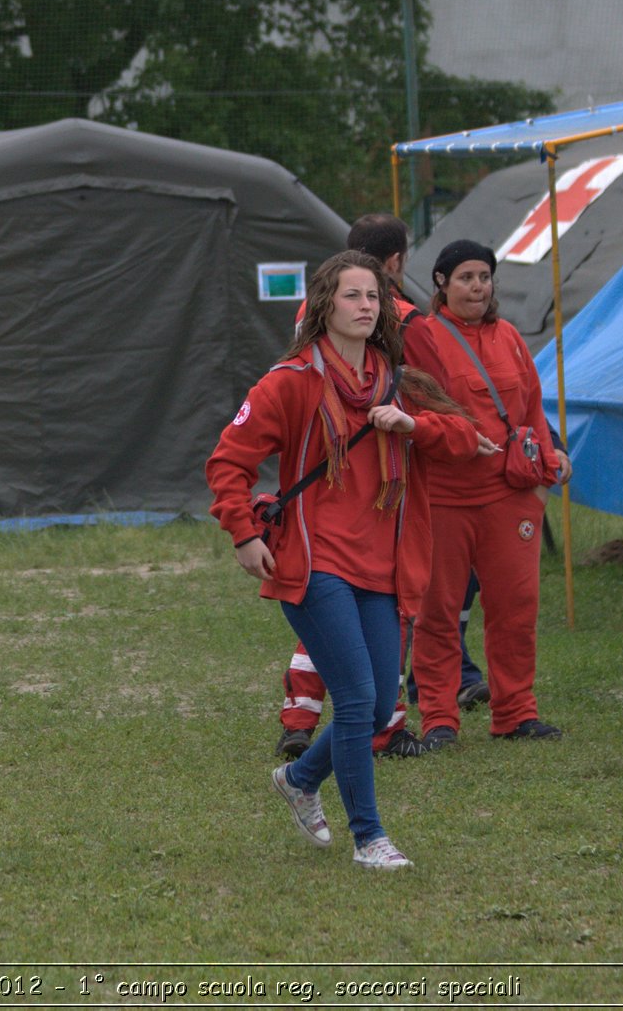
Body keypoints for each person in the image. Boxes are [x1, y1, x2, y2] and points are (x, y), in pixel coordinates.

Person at [207, 250, 487, 869]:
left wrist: (411, 426)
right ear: (324, 307)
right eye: (354, 296)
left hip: (385, 564)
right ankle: (370, 837)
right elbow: (228, 462)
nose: (367, 306)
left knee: (375, 704)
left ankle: (301, 778)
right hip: (314, 561)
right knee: (359, 699)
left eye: (375, 297)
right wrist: (244, 533)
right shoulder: (290, 380)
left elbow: (469, 438)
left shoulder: (394, 378)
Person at [274, 213, 490, 761]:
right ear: (396, 261)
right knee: (382, 616)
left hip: (329, 493)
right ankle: (385, 728)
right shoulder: (406, 321)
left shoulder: (312, 313)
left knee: (334, 621)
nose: (366, 309)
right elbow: (436, 395)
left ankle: (303, 722)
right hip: (383, 497)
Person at [403, 240, 571, 749]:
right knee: (438, 611)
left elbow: (533, 409)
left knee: (516, 607)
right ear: (440, 283)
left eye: (484, 277)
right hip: (444, 498)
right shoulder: (424, 339)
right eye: (466, 277)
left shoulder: (511, 337)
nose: (478, 286)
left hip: (509, 496)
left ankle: (515, 713)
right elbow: (416, 413)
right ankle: (438, 719)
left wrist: (547, 462)